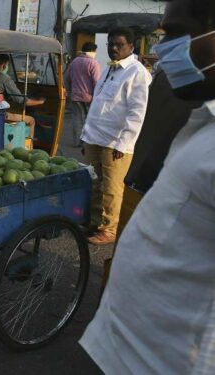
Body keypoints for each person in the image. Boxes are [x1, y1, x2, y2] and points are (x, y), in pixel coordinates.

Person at [80, 1, 215, 373]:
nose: (160, 50)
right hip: (124, 352)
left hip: (164, 363)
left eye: (174, 34)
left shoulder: (141, 76)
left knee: (111, 191)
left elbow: (134, 114)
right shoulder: (203, 117)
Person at [79, 27, 152, 245]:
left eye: (119, 45)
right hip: (94, 138)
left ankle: (109, 229)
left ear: (131, 46)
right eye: (110, 44)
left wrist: (124, 143)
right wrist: (85, 136)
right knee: (93, 183)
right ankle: (94, 222)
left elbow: (137, 113)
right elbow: (97, 106)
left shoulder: (137, 73)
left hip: (115, 143)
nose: (113, 48)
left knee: (112, 188)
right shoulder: (108, 70)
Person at [0, 54, 45, 139]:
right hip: (0, 113)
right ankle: (29, 147)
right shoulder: (4, 78)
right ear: (4, 64)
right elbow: (22, 101)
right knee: (31, 120)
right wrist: (41, 102)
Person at [65, 42, 102, 147]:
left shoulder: (74, 62)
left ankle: (77, 142)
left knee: (76, 119)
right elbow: (97, 82)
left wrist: (70, 91)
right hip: (89, 97)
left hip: (75, 96)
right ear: (92, 51)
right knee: (89, 120)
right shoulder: (94, 63)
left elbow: (67, 78)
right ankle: (86, 142)